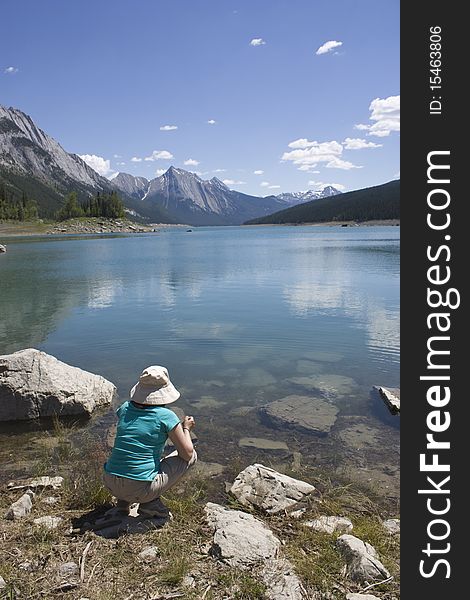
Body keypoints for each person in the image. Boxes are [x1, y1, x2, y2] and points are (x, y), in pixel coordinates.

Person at [99, 365, 197, 526]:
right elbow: (186, 453)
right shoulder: (166, 416)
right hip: (138, 489)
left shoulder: (124, 408)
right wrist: (186, 428)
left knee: (132, 458)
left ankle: (122, 504)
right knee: (192, 456)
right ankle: (149, 504)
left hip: (110, 482)